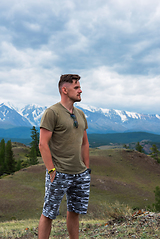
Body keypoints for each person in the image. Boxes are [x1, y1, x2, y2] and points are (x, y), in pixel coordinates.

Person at [38, 74, 91, 239]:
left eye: (79, 87)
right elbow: (42, 144)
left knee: (75, 211)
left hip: (80, 174)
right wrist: (51, 170)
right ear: (64, 90)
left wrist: (87, 169)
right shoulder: (52, 113)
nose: (80, 90)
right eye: (76, 87)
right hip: (59, 173)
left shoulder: (80, 114)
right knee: (48, 213)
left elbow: (85, 143)